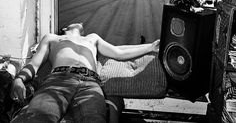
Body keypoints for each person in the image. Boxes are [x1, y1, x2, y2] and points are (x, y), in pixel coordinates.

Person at [10, 23, 160, 123]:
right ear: (64, 28)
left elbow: (118, 52)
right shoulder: (52, 38)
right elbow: (34, 64)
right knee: (37, 118)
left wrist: (150, 47)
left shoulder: (92, 38)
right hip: (58, 80)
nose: (81, 23)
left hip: (91, 84)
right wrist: (19, 80)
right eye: (77, 22)